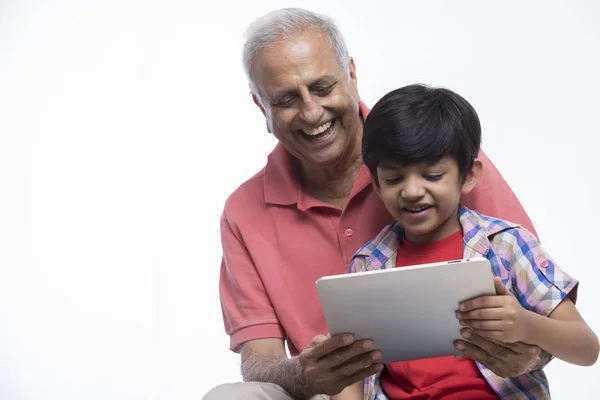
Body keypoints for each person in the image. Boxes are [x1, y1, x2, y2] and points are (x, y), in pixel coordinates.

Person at [203, 7, 551, 400]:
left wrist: (526, 354)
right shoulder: (242, 212)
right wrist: (305, 373)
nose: (312, 112)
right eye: (285, 98)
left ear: (351, 73)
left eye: (321, 87)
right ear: (260, 106)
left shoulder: (439, 157)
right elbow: (258, 362)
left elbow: (542, 310)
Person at [344, 83, 599, 399]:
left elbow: (587, 349)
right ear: (377, 185)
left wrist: (525, 325)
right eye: (394, 179)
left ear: (468, 175)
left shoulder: (506, 245)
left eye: (432, 176)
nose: (410, 191)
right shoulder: (368, 265)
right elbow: (353, 372)